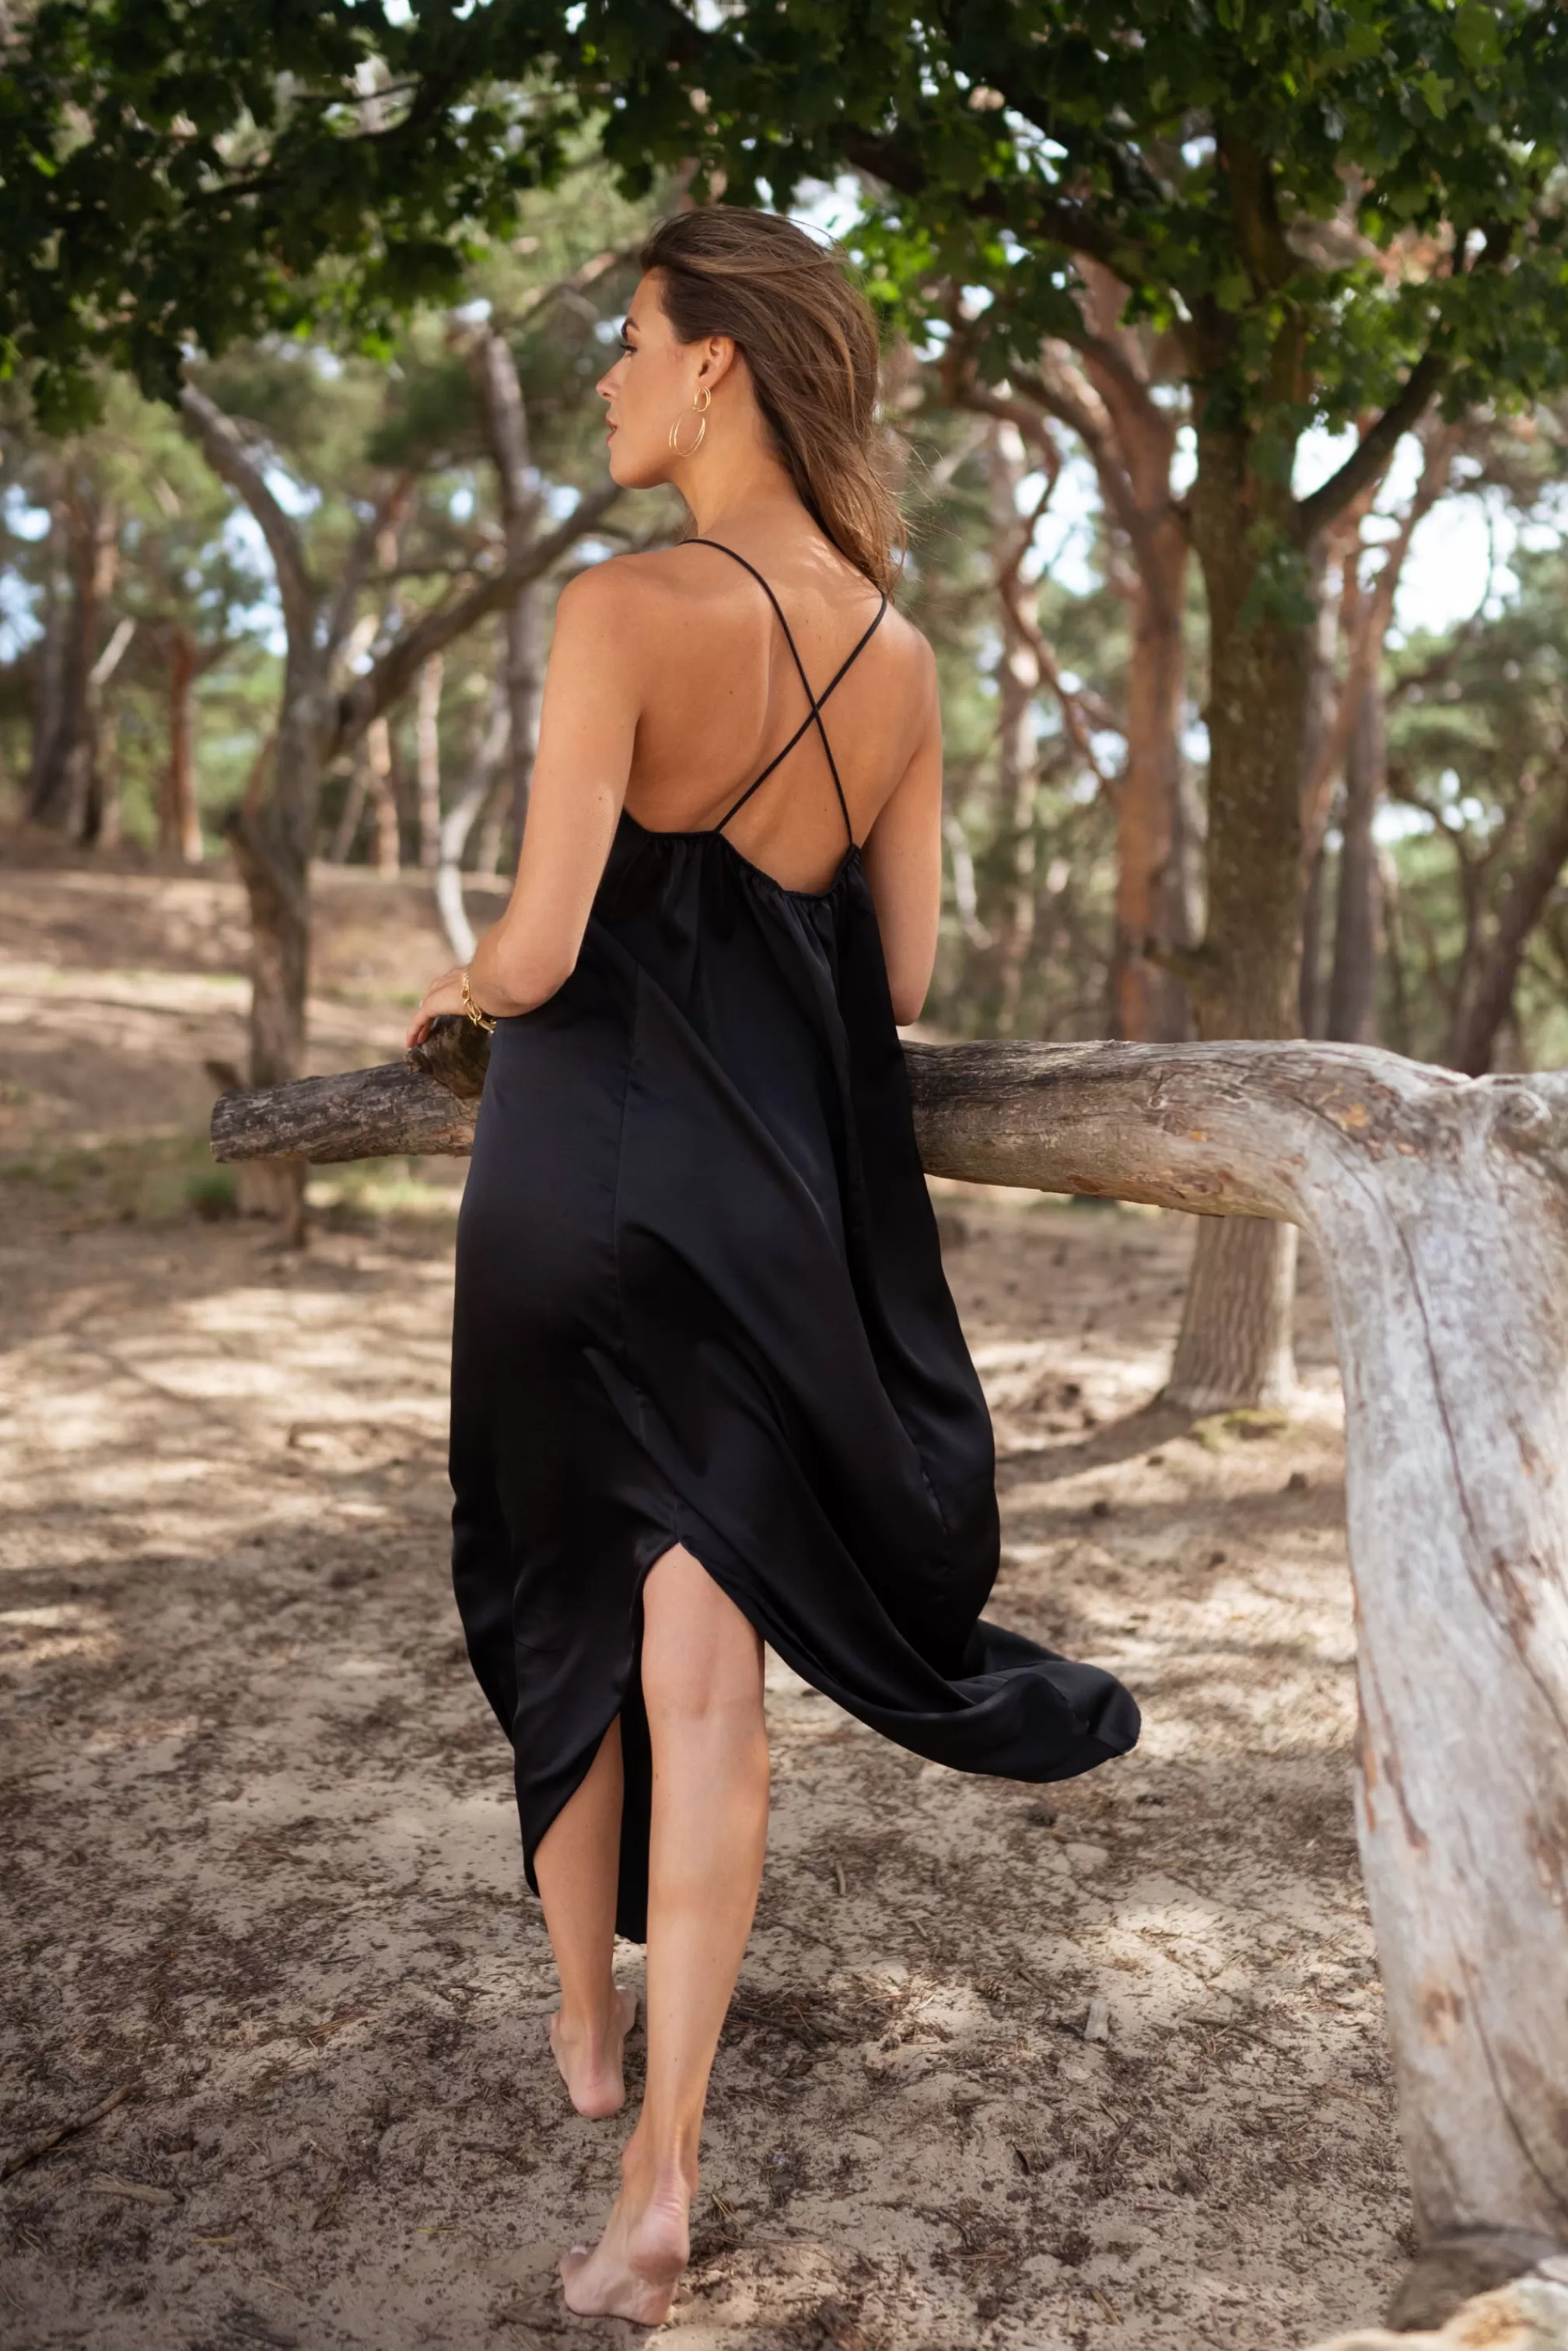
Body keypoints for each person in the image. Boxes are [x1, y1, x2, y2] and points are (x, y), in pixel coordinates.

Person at [407, 207, 1139, 2325]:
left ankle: (582, 2019)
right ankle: (662, 2173)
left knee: (551, 1590)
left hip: (570, 1183)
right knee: (708, 1680)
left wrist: (449, 992)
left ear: (716, 359)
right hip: (762, 1209)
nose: (611, 377)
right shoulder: (898, 656)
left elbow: (544, 944)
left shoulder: (619, 608)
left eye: (632, 338)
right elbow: (891, 978)